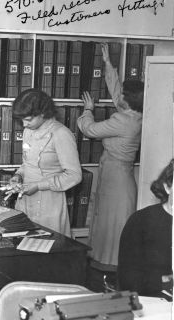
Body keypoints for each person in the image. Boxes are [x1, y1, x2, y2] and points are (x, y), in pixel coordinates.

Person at [77, 43, 144, 272]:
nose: (119, 96)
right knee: (110, 222)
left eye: (123, 94)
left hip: (116, 178)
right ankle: (107, 264)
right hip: (119, 176)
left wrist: (88, 109)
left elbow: (90, 130)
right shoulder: (135, 114)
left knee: (112, 223)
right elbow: (117, 94)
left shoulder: (122, 121)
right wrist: (107, 63)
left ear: (129, 99)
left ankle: (109, 268)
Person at [6, 88, 82, 236]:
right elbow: (27, 163)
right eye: (21, 120)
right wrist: (18, 176)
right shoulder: (28, 131)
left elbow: (74, 175)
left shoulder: (61, 134)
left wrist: (39, 186)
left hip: (50, 202)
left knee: (48, 247)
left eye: (28, 120)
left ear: (43, 113)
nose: (24, 124)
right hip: (25, 199)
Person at [118, 159, 173, 298]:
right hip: (153, 301)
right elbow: (128, 280)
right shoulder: (141, 221)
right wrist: (167, 281)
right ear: (167, 186)